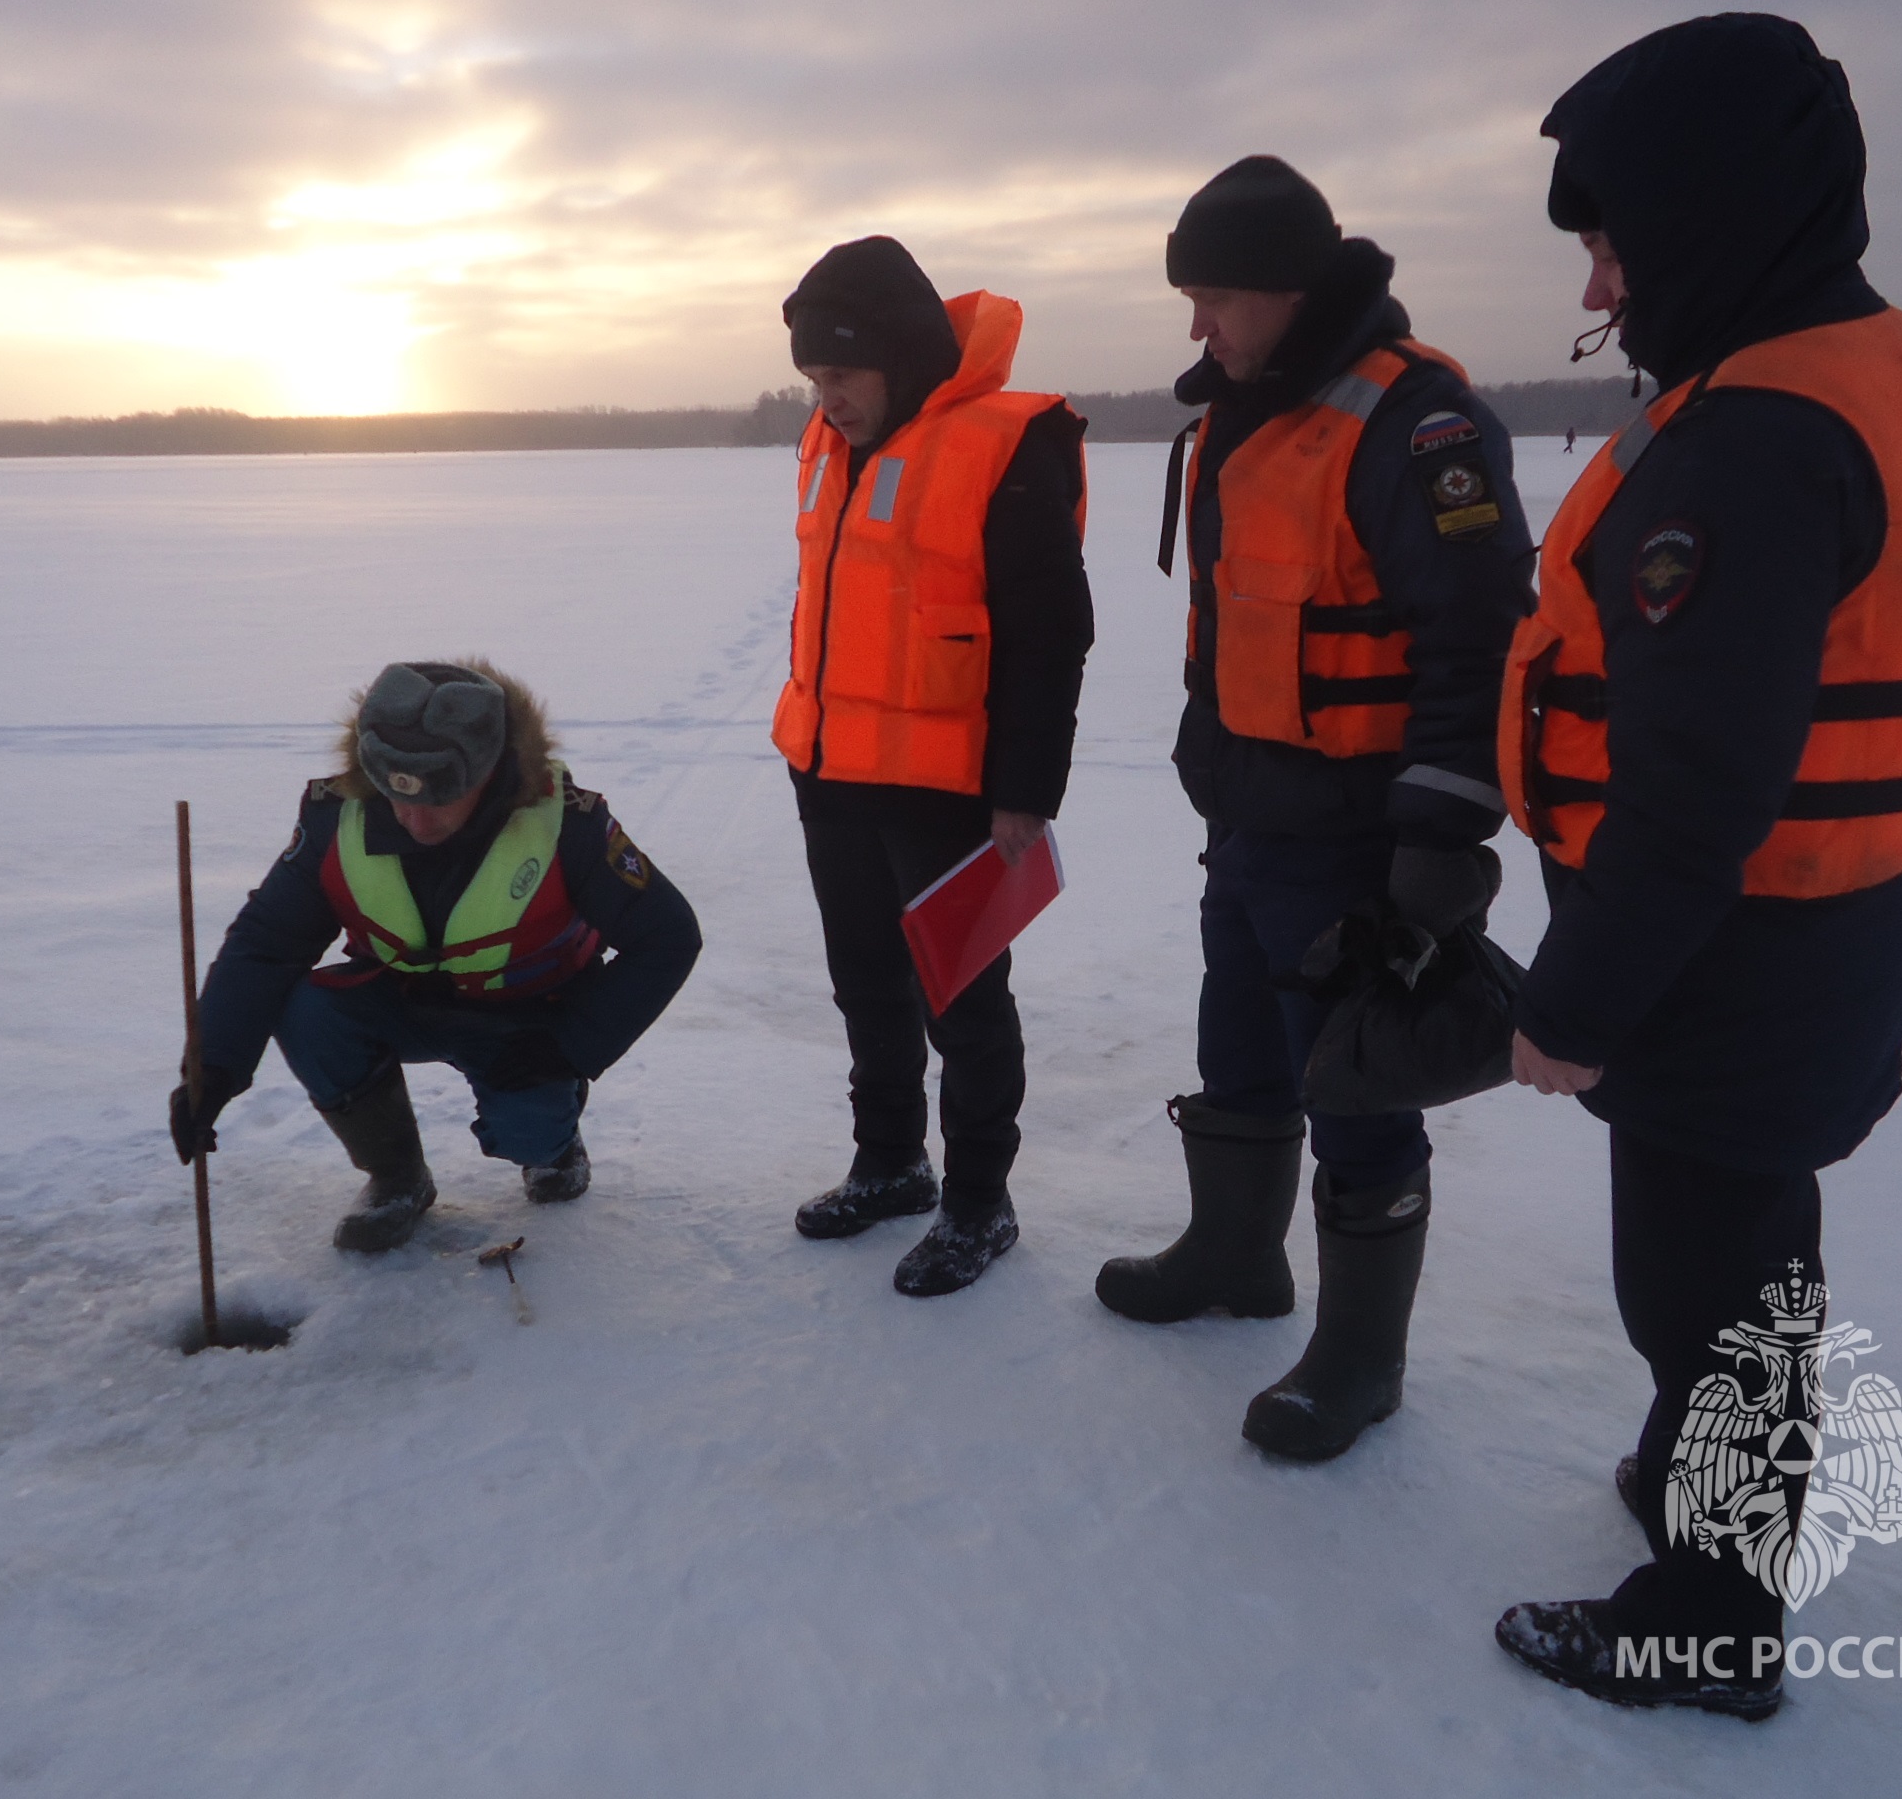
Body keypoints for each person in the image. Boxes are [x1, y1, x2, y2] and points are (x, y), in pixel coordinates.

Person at [1493, 15, 1902, 1719]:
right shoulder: (1880, 362)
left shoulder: (1752, 442)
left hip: (1742, 933)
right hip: (1840, 912)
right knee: (1745, 1250)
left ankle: (1707, 1612)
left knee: (1709, 1276)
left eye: (1611, 232)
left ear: (1705, 213)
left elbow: (1695, 783)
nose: (1599, 270)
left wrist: (1573, 1005)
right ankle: (1696, 1474)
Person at [1094, 157, 1532, 1460]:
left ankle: (1360, 1360)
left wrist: (1441, 838)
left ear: (1287, 289)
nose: (1196, 328)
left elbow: (1478, 641)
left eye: (1215, 297)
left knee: (1354, 1080)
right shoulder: (1247, 408)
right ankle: (1236, 1256)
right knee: (1239, 1035)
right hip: (1250, 814)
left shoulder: (1415, 425)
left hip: (1358, 833)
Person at [773, 236, 1093, 1296]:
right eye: (814, 376)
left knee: (962, 1000)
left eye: (843, 374)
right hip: (832, 768)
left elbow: (1051, 633)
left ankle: (977, 1202)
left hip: (953, 789)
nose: (827, 397)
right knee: (865, 983)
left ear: (902, 360)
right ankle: (891, 1165)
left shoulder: (1006, 443)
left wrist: (1025, 795)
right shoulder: (830, 439)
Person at [169, 660, 702, 1252]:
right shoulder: (335, 818)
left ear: (492, 771)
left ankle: (553, 1145)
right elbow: (266, 945)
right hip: (403, 1002)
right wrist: (212, 1065)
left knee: (531, 1129)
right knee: (304, 1007)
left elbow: (669, 936)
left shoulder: (566, 824)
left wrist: (572, 1045)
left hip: (531, 1019)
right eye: (398, 797)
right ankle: (398, 1178)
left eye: (441, 799)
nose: (415, 820)